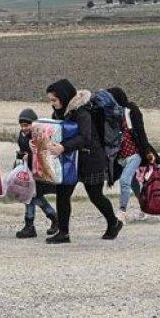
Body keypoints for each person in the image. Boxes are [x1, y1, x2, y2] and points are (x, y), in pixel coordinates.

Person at [43, 79, 122, 244]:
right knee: (63, 194)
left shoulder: (82, 111)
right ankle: (63, 233)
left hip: (91, 159)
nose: (52, 103)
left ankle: (114, 222)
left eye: (54, 100)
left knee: (95, 196)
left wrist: (63, 147)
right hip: (71, 159)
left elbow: (85, 138)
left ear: (63, 97)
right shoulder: (59, 112)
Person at [105, 87, 160, 221]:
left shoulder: (131, 111)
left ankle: (122, 211)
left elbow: (141, 132)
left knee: (124, 180)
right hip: (121, 157)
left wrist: (148, 151)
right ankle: (145, 207)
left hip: (134, 154)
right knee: (133, 184)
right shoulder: (112, 114)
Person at [14, 108, 59, 238]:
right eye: (22, 125)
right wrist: (22, 155)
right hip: (29, 172)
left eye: (26, 125)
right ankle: (51, 219)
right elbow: (23, 150)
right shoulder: (22, 136)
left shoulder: (41, 135)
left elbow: (43, 154)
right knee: (32, 197)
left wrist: (30, 155)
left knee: (32, 198)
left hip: (39, 173)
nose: (24, 128)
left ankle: (32, 225)